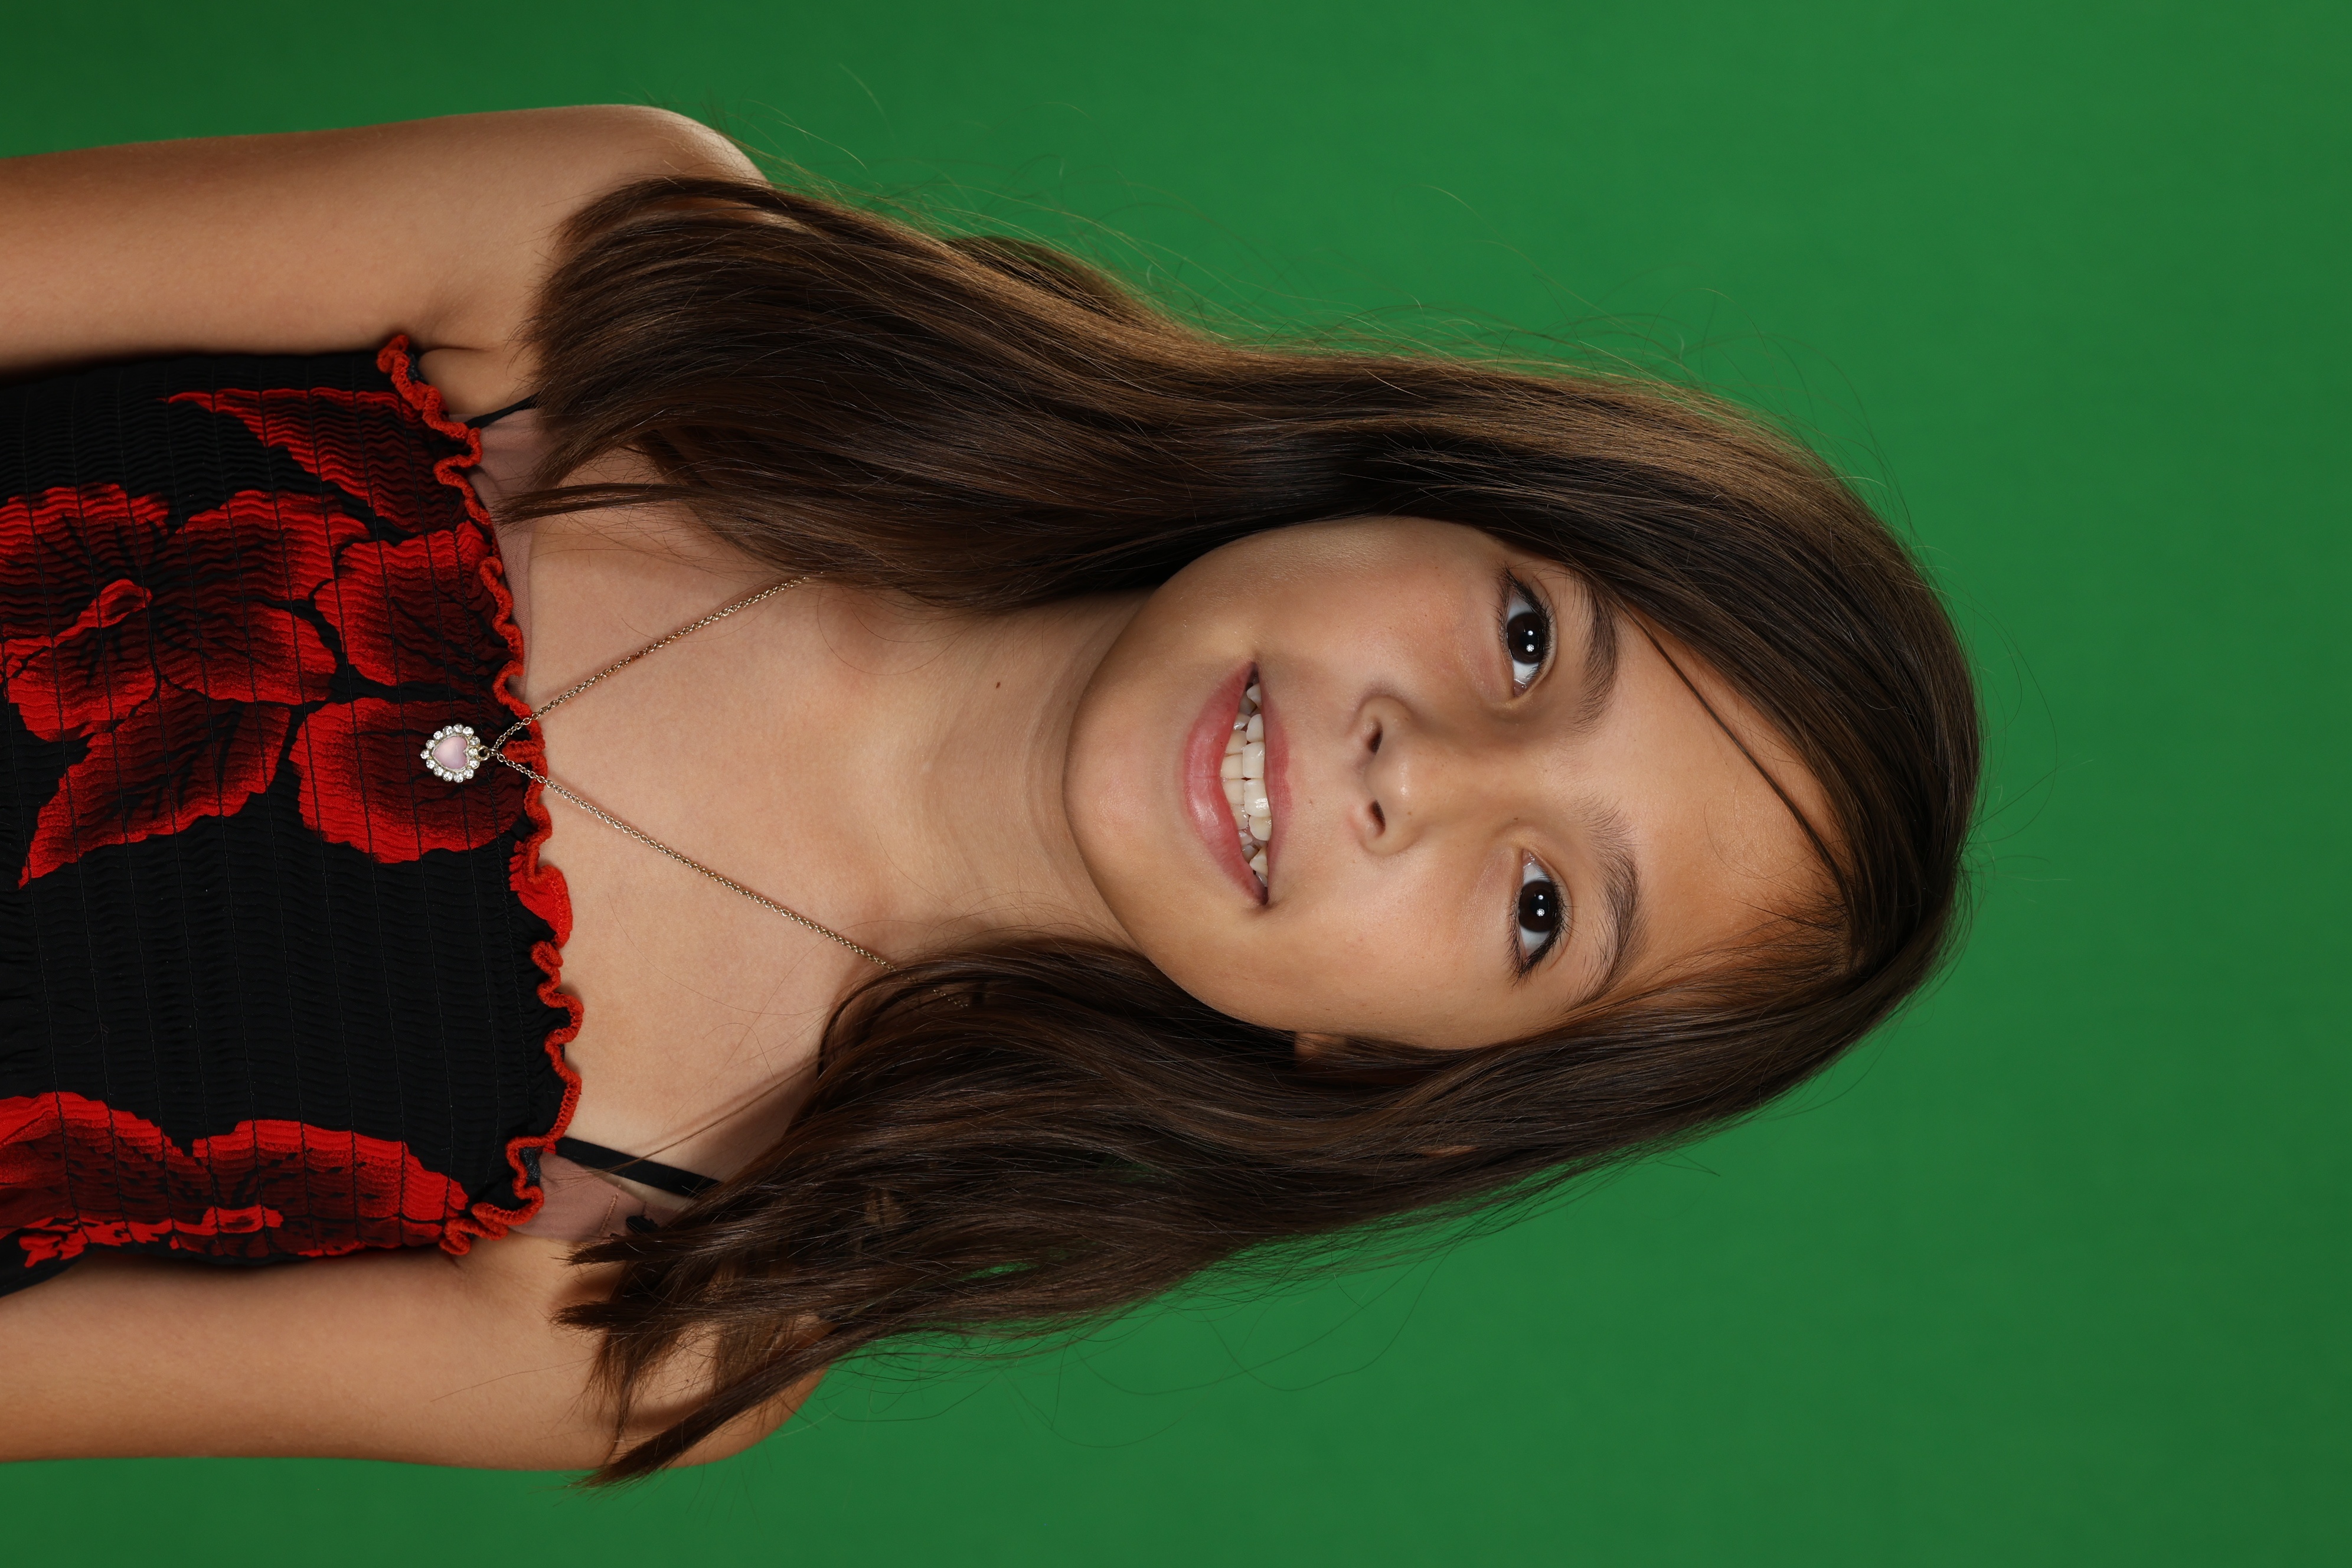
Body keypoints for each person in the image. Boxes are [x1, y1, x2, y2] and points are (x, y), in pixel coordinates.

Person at [0, 106, 1979, 1478]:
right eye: (1531, 642)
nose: (1422, 771)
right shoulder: (617, 278)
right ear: (1427, 485)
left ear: (1394, 1064)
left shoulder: (655, 1311)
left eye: (1540, 907)